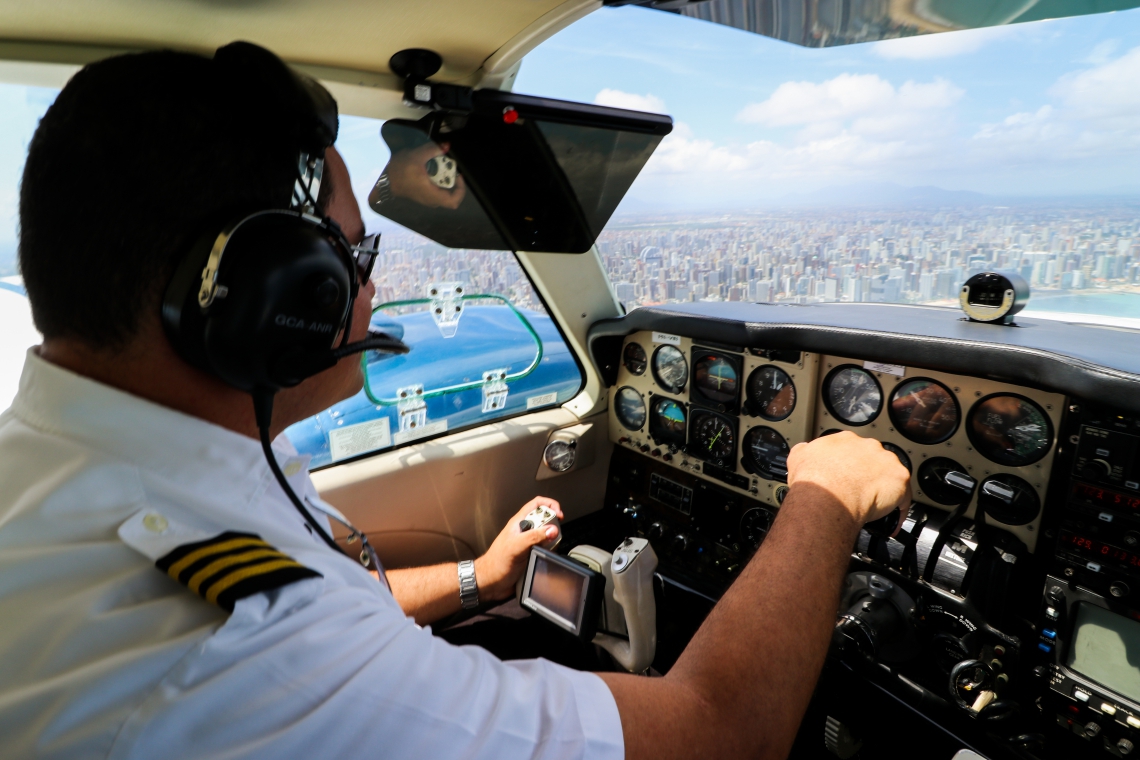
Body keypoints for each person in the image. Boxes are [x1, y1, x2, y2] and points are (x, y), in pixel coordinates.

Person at [0, 43, 910, 760]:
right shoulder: (238, 652)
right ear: (274, 297)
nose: (363, 290)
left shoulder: (62, 478)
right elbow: (723, 733)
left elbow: (337, 599)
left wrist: (487, 575)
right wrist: (824, 496)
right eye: (352, 261)